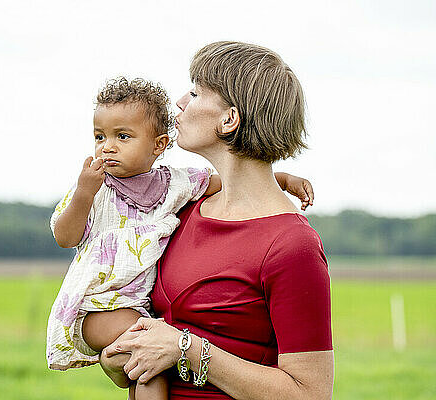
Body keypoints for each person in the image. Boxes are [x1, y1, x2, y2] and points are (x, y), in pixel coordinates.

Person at [46, 77, 316, 400]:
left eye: (196, 92)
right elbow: (65, 235)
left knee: (146, 360)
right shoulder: (169, 210)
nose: (107, 146)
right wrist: (83, 195)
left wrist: (282, 179)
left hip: (135, 313)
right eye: (99, 137)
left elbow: (309, 391)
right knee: (144, 356)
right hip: (101, 307)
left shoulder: (176, 193)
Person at [102, 42, 334, 400]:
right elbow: (146, 354)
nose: (179, 101)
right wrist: (120, 358)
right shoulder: (180, 212)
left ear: (229, 119)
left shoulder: (292, 246)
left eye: (195, 92)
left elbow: (310, 393)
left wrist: (187, 350)